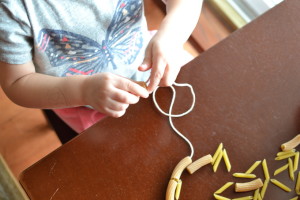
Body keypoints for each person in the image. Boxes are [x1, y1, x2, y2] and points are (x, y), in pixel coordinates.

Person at [0, 0, 203, 133]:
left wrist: (171, 37)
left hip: (151, 59)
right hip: (82, 100)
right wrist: (83, 90)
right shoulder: (10, 9)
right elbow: (17, 82)